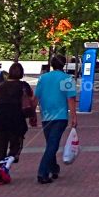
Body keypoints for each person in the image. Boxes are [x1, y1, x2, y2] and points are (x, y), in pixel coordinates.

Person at [0, 62, 36, 184]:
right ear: (21, 73)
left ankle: (0, 177)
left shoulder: (1, 86)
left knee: (0, 148)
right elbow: (31, 101)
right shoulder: (24, 86)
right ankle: (7, 164)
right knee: (16, 146)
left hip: (0, 119)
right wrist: (32, 116)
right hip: (17, 119)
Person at [34, 54, 78, 184]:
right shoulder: (67, 79)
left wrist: (32, 114)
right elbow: (70, 99)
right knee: (52, 145)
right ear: (63, 65)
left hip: (45, 115)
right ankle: (42, 172)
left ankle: (54, 168)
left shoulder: (43, 78)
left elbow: (36, 97)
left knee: (50, 144)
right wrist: (74, 116)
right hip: (60, 116)